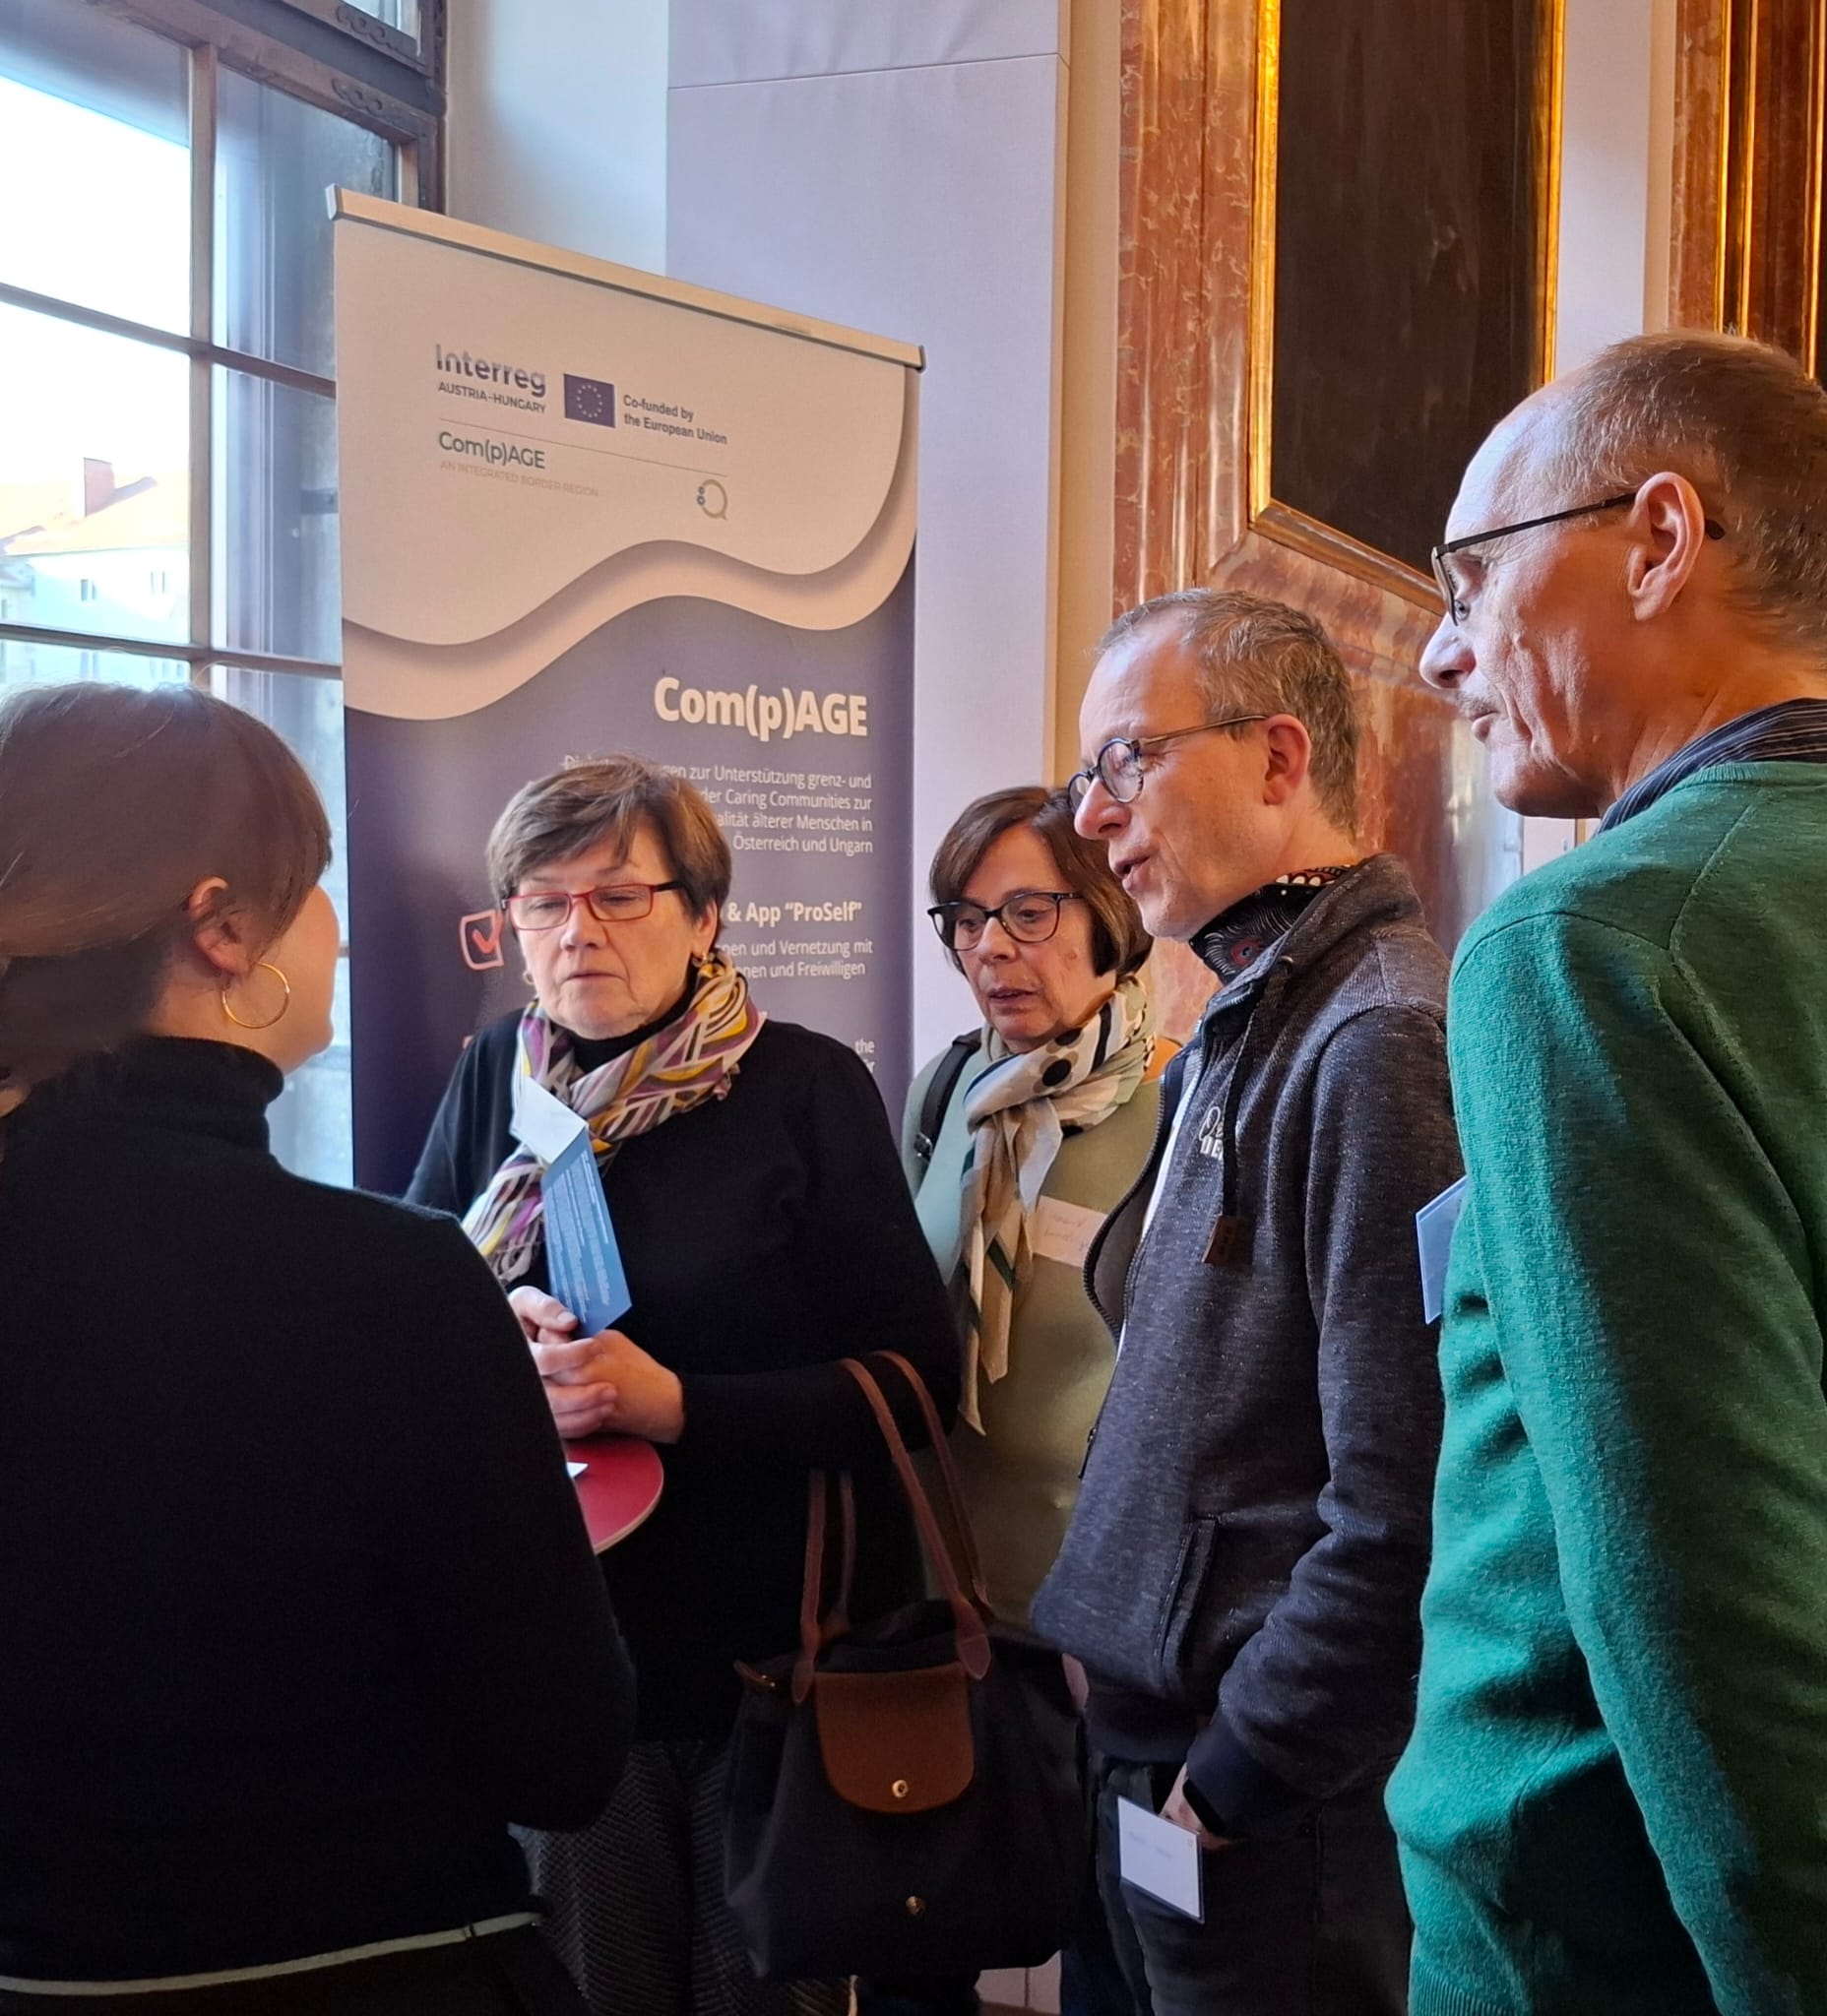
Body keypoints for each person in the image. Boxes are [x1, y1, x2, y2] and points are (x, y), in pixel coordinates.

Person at [0, 683, 633, 2015]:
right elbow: (560, 1755)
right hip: (377, 1963)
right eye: (315, 886)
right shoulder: (392, 1284)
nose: (336, 929)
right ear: (223, 927)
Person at [1386, 331, 1827, 2016]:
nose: (1442, 650)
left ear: (1658, 539)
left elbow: (1703, 1611)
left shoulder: (1595, 945)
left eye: (1473, 578)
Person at [408, 754, 961, 2016]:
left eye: (618, 895)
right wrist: (498, 1325)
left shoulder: (801, 1085)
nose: (576, 931)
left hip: (769, 1662)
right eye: (542, 902)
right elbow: (415, 1304)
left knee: (761, 1990)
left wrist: (677, 1405)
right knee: (593, 1988)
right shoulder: (497, 1073)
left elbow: (914, 1381)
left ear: (705, 915)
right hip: (567, 1652)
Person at [1033, 589, 1461, 2015]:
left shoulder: (1377, 1038)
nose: (1091, 816)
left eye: (1125, 759)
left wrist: (1240, 1773)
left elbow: (1405, 1497)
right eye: (1084, 773)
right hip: (1153, 1748)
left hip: (1257, 1804)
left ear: (1278, 757)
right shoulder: (1247, 1007)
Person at [897, 786, 1163, 2016]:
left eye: (1026, 912)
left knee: (1111, 1948)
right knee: (918, 1942)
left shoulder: (1176, 1101)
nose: (989, 948)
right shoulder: (948, 1085)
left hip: (1094, 1623)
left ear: (1107, 914)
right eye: (965, 918)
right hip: (937, 1599)